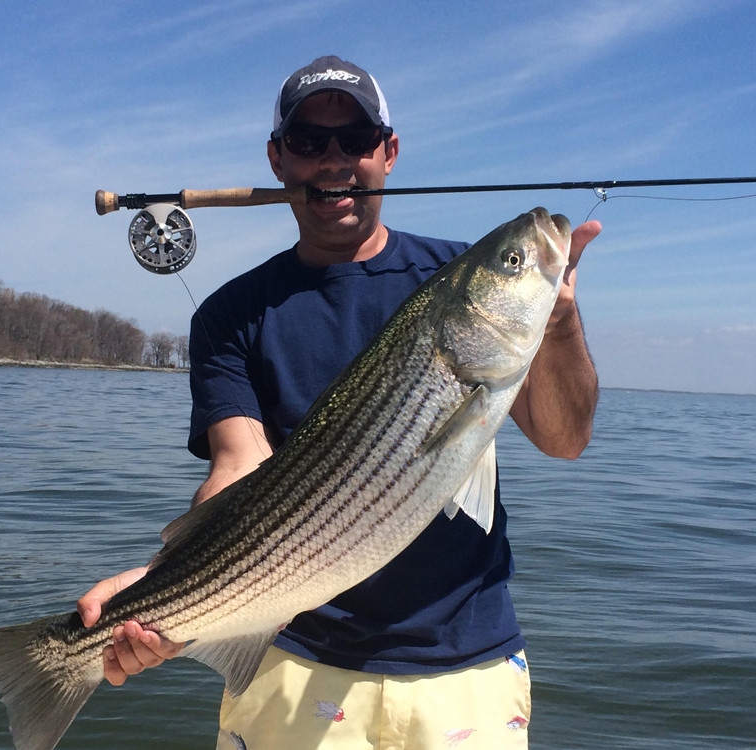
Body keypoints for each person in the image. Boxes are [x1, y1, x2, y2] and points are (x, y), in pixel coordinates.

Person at [78, 55, 600, 749]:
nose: (335, 161)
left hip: (466, 662)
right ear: (277, 159)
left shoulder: (449, 275)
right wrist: (167, 586)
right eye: (309, 142)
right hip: (292, 657)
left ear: (388, 153)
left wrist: (558, 317)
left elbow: (565, 439)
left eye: (355, 141)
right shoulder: (232, 315)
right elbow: (239, 469)